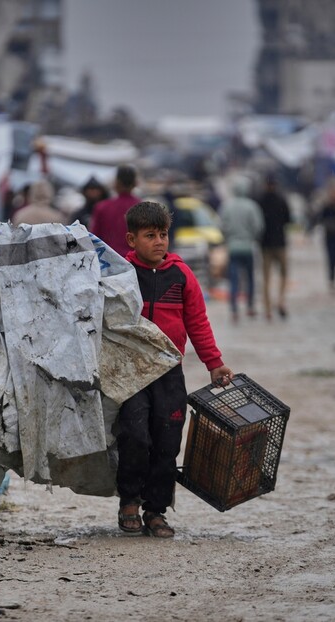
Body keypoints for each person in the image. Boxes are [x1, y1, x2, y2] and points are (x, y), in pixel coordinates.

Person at [116, 200, 233, 539]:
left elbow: (197, 322)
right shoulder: (121, 275)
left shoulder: (182, 275)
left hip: (169, 372)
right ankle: (129, 503)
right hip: (132, 372)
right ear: (131, 239)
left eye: (163, 234)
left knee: (168, 442)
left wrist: (214, 363)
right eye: (150, 235)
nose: (159, 242)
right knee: (135, 436)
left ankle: (156, 511)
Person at [219, 175, 264, 321]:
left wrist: (228, 238)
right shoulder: (252, 206)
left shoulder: (227, 206)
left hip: (232, 247)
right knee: (250, 278)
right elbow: (259, 226)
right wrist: (251, 238)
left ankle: (234, 309)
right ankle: (250, 306)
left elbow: (221, 226)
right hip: (248, 247)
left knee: (234, 279)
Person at [256, 174, 292, 319]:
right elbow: (288, 220)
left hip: (265, 244)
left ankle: (268, 308)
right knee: (283, 274)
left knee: (266, 277)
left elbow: (257, 223)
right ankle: (281, 301)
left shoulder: (259, 200)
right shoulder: (281, 199)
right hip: (280, 242)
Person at [90, 164, 140, 255]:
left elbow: (94, 238)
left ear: (116, 183)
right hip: (135, 261)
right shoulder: (142, 207)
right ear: (135, 183)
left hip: (108, 261)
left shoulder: (102, 207)